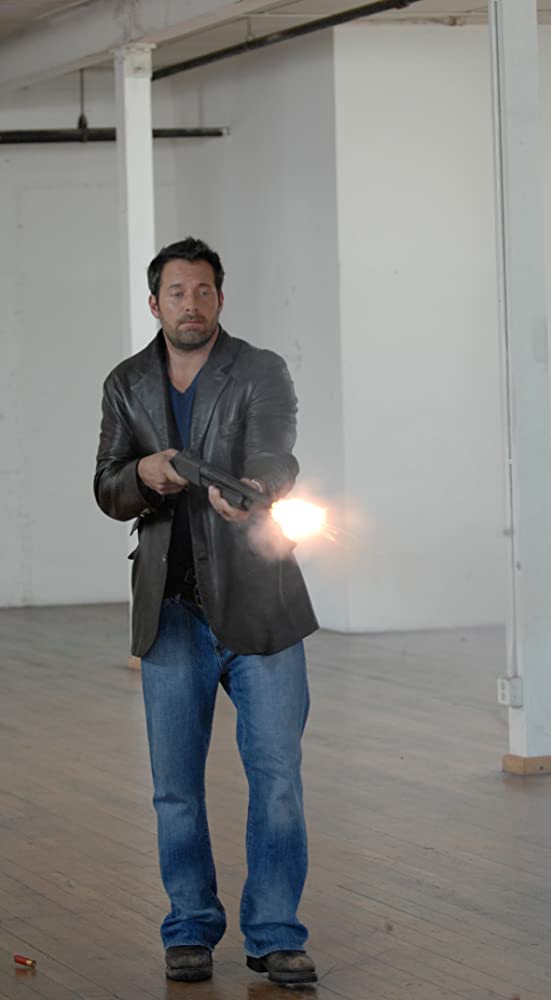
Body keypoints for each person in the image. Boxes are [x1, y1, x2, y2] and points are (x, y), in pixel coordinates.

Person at [94, 237, 319, 986]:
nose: (191, 304)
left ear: (221, 297)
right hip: (171, 613)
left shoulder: (260, 370)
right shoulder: (126, 383)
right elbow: (107, 486)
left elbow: (277, 454)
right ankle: (189, 926)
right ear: (154, 302)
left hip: (262, 607)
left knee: (278, 778)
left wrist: (254, 491)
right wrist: (143, 473)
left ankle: (276, 934)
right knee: (175, 790)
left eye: (203, 291)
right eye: (177, 292)